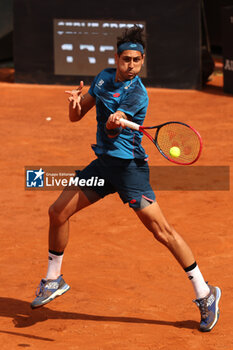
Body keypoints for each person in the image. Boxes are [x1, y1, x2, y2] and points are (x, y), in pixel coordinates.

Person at [31, 25, 221, 332]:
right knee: (57, 212)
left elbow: (111, 130)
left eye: (136, 60)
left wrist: (115, 121)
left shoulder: (137, 95)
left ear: (142, 61)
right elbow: (76, 117)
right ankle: (54, 279)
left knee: (163, 232)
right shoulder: (103, 78)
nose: (131, 65)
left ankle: (205, 293)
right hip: (104, 167)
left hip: (129, 171)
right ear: (116, 58)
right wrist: (75, 104)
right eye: (126, 59)